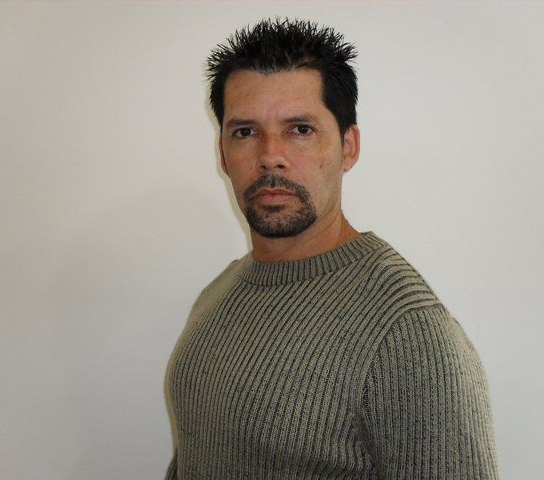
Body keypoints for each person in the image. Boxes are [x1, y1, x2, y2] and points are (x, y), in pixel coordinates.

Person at [165, 18, 499, 479]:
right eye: (245, 132)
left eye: (300, 129)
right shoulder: (220, 291)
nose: (270, 156)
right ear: (222, 153)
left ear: (349, 146)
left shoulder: (408, 334)